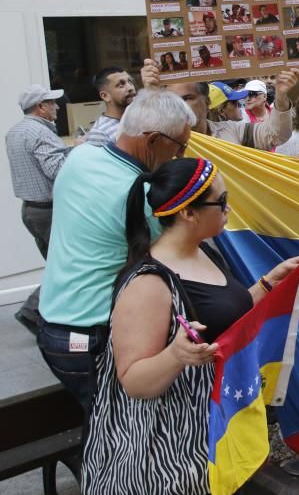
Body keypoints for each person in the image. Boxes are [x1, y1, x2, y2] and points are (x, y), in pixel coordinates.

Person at [81, 157, 299, 495]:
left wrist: (267, 285)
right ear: (188, 213)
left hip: (211, 449)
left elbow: (222, 315)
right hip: (167, 466)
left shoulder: (204, 250)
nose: (228, 208)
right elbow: (134, 380)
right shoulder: (148, 283)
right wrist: (175, 356)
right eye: (221, 202)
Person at [37, 90, 195, 411]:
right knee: (119, 435)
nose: (179, 156)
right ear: (152, 141)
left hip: (53, 328)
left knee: (100, 423)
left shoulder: (80, 158)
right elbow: (184, 253)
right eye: (179, 146)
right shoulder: (140, 196)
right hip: (92, 337)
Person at [6, 85, 76, 332]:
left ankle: (51, 315)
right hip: (49, 211)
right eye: (52, 103)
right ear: (40, 107)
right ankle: (32, 311)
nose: (57, 107)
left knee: (60, 265)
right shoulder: (40, 132)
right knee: (69, 264)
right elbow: (57, 171)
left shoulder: (15, 131)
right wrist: (79, 151)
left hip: (32, 210)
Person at [141, 60, 297, 150]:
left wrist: (281, 95)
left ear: (206, 102)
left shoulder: (233, 130)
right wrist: (149, 91)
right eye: (174, 100)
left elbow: (277, 134)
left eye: (188, 98)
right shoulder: (160, 141)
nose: (180, 106)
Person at [86, 67, 137, 148]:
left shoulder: (138, 119)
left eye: (130, 82)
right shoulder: (100, 133)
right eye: (121, 85)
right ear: (105, 96)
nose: (130, 88)